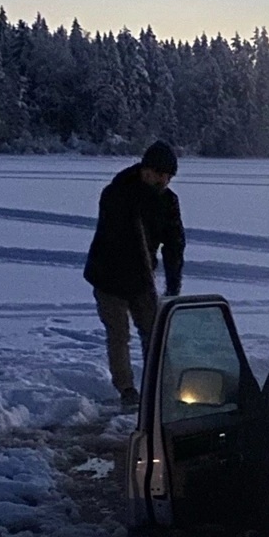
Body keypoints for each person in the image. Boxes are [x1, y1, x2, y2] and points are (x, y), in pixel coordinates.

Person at [83, 141, 185, 410]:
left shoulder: (168, 201)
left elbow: (174, 244)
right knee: (119, 335)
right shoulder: (117, 194)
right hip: (108, 277)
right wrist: (138, 205)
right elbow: (116, 239)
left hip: (142, 277)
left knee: (154, 333)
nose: (165, 181)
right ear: (146, 171)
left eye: (169, 177)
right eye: (161, 175)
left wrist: (173, 284)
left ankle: (163, 387)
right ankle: (127, 390)